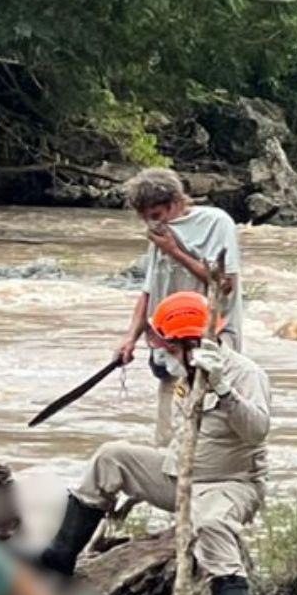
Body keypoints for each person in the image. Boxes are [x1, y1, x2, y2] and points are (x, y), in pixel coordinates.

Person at [41, 291, 270, 595]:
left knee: (209, 524)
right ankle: (58, 561)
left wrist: (223, 390)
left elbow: (257, 432)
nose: (166, 357)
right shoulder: (186, 375)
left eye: (171, 349)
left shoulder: (245, 374)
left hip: (230, 484)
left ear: (194, 344)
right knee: (111, 457)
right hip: (179, 475)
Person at [116, 168, 245, 447]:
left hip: (210, 341)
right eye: (145, 218)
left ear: (176, 203)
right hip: (169, 345)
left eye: (157, 216)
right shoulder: (159, 234)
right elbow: (149, 291)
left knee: (209, 430)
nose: (152, 225)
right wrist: (130, 337)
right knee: (167, 439)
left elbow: (224, 285)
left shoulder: (216, 223)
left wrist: (175, 251)